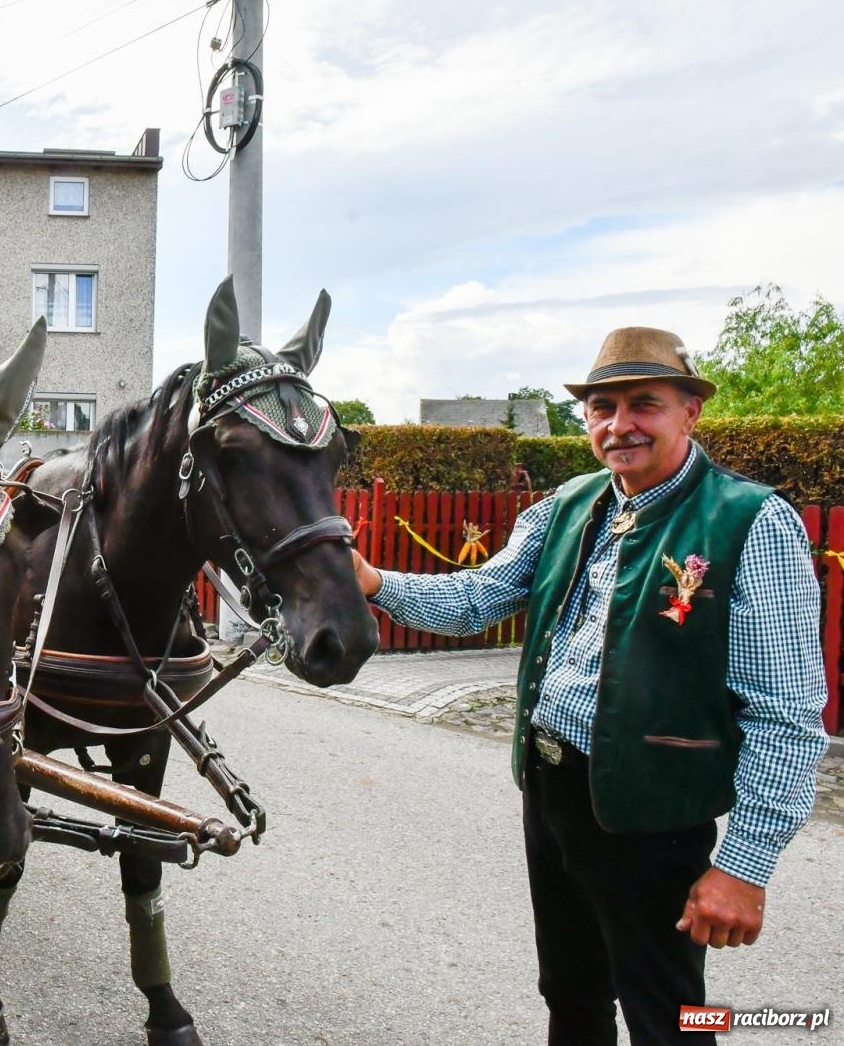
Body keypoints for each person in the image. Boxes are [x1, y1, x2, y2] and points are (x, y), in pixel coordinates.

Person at [351, 327, 827, 1044]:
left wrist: (743, 867)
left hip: (652, 810)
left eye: (645, 404)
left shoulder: (749, 521)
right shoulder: (567, 505)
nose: (620, 425)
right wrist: (374, 582)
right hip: (551, 790)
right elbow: (479, 598)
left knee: (666, 1014)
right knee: (570, 993)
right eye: (603, 407)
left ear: (690, 410)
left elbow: (787, 714)